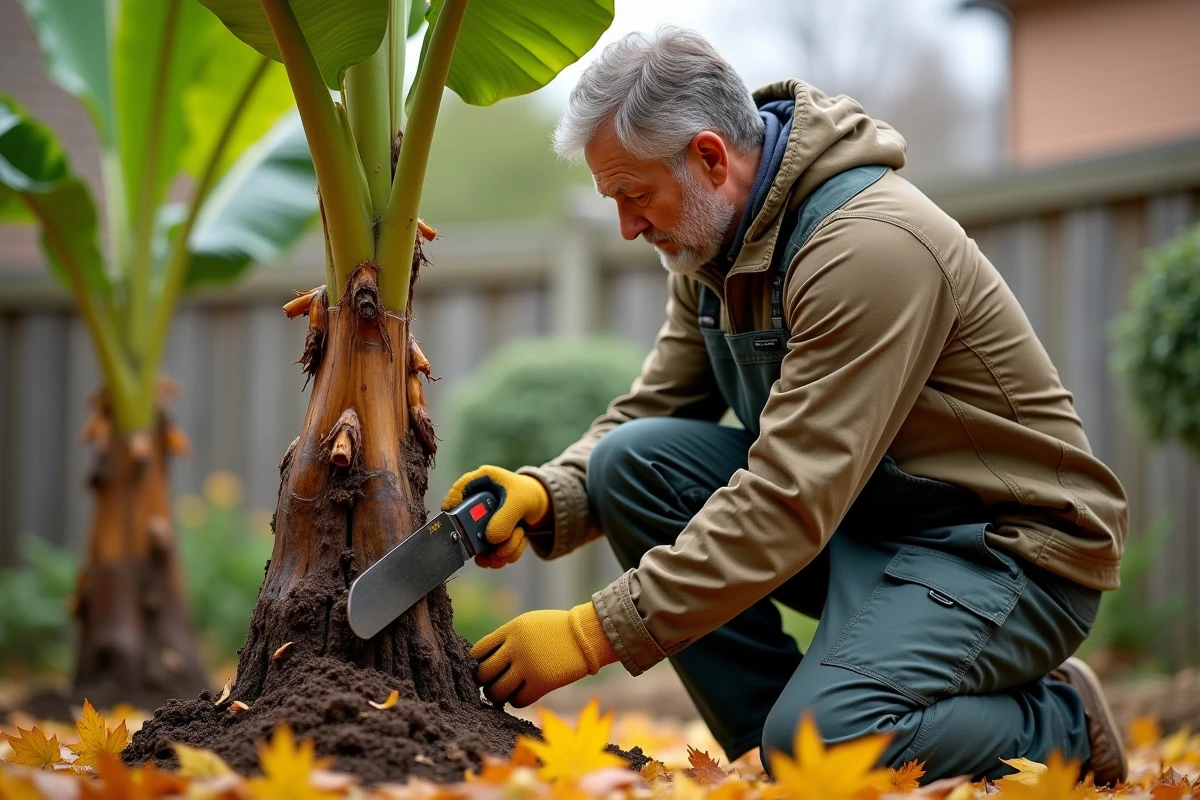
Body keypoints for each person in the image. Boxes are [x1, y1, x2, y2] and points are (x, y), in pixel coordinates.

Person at [442, 28, 1129, 784]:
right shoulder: (714, 246)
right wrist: (548, 493)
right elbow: (655, 409)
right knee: (628, 466)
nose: (627, 227)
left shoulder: (868, 247)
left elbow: (789, 494)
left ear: (709, 157)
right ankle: (776, 756)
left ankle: (1063, 722)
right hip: (872, 520)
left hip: (1006, 549)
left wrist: (589, 633)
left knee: (825, 742)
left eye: (634, 195)